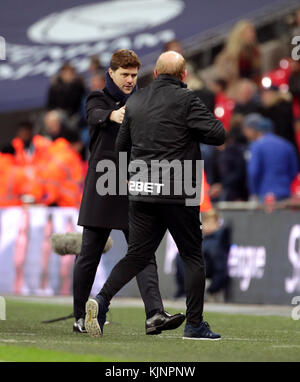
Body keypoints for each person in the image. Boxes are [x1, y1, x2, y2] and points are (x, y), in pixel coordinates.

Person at [85, 51, 225, 340]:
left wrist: (130, 176)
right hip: (179, 187)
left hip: (142, 189)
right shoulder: (187, 100)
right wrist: (187, 130)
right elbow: (218, 133)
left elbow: (121, 147)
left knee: (137, 253)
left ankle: (100, 301)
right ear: (183, 76)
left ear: (157, 74)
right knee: (192, 255)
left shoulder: (135, 100)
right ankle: (195, 324)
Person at [74, 49, 184, 334]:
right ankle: (79, 317)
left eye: (134, 75)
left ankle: (154, 314)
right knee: (90, 253)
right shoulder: (97, 98)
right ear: (111, 73)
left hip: (132, 181)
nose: (130, 80)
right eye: (125, 75)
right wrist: (113, 115)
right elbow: (93, 115)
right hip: (104, 181)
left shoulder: (142, 99)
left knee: (143, 250)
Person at [243, 113, 298, 201]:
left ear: (259, 130)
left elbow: (253, 171)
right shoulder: (287, 145)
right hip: (285, 193)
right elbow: (294, 170)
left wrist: (253, 192)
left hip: (264, 194)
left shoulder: (256, 146)